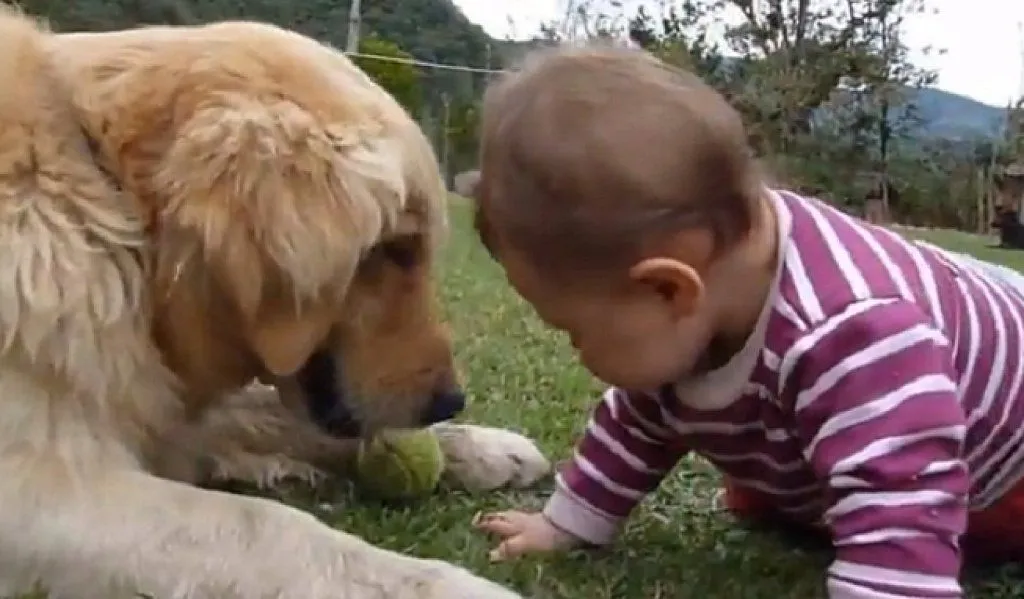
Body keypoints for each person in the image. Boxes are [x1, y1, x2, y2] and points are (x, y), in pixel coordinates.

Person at [469, 44, 1024, 599]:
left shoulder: (854, 333)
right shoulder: (699, 302)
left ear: (668, 287)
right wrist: (567, 521)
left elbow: (905, 493)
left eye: (573, 330)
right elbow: (642, 417)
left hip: (1001, 462)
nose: (576, 352)